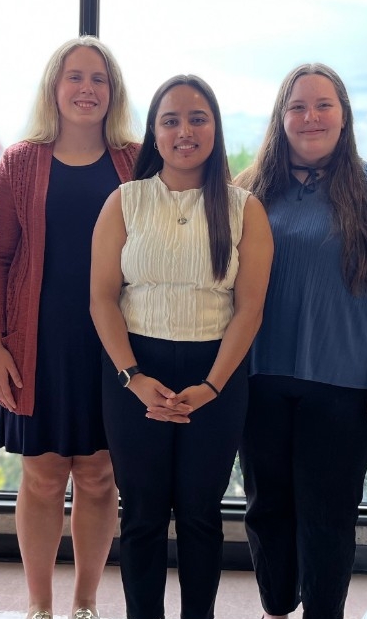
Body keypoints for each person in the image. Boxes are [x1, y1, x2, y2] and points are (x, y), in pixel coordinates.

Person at [237, 64, 367, 619]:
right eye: (298, 106)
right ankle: (276, 605)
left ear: (343, 116)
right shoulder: (250, 189)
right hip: (258, 377)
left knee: (327, 514)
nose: (310, 117)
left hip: (344, 382)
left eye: (324, 105)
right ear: (281, 117)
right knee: (266, 507)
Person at [90, 75, 273, 619]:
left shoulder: (245, 209)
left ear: (215, 129)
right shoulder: (125, 201)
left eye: (198, 118)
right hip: (134, 370)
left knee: (199, 514)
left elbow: (250, 309)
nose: (184, 131)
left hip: (217, 371)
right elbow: (102, 300)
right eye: (170, 119)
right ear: (154, 131)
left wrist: (213, 385)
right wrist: (132, 376)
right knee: (142, 513)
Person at [0, 37, 137, 619]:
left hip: (113, 343)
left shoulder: (135, 160)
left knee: (98, 477)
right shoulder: (20, 163)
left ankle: (86, 603)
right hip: (37, 341)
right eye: (75, 77)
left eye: (99, 79)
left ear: (112, 93)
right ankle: (40, 606)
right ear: (55, 87)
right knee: (43, 478)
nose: (87, 89)